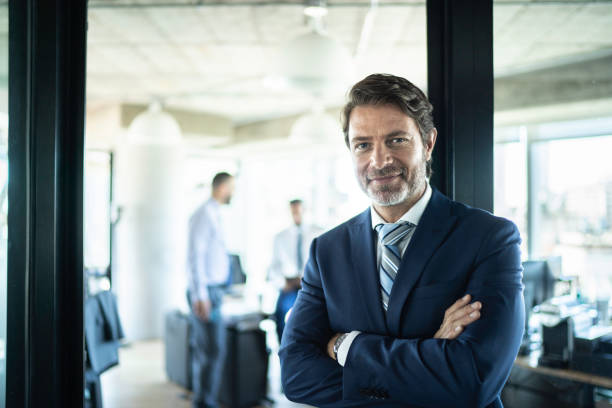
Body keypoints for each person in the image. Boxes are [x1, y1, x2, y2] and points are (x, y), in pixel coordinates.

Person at [279, 74, 524, 408]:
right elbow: (295, 376)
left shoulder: (489, 238)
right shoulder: (327, 251)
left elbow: (474, 381)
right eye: (363, 144)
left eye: (396, 140)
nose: (379, 161)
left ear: (427, 143)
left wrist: (346, 346)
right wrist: (430, 356)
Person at [187, 172, 235, 408]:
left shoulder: (216, 213)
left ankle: (205, 400)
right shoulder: (204, 215)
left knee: (211, 351)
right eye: (231, 187)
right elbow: (195, 258)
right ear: (222, 187)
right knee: (212, 351)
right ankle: (205, 403)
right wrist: (201, 296)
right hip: (207, 295)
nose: (233, 192)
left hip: (214, 292)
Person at [268, 199, 323, 343]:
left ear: (305, 211)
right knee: (281, 313)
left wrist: (308, 278)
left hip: (311, 285)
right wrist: (283, 282)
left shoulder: (318, 233)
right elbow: (273, 268)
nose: (296, 215)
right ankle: (285, 349)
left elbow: (323, 263)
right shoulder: (280, 238)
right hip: (289, 286)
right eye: (293, 212)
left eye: (299, 211)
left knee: (316, 317)